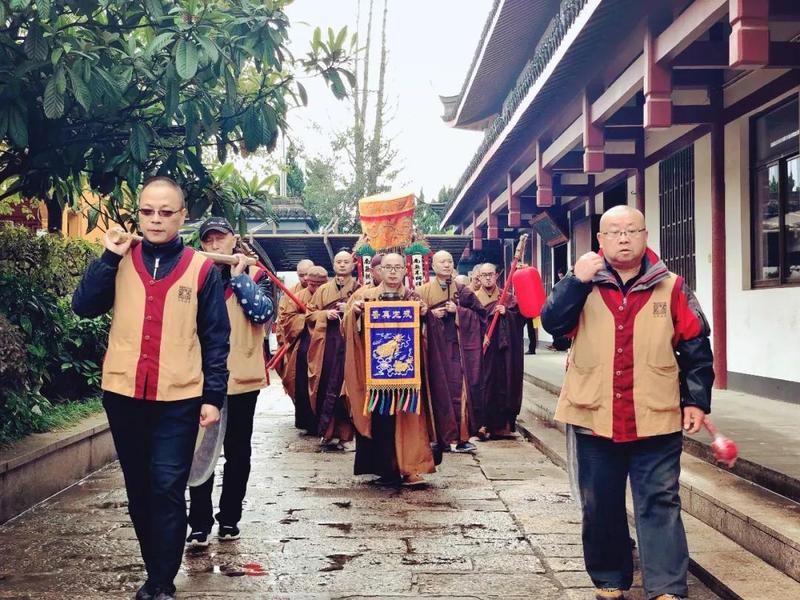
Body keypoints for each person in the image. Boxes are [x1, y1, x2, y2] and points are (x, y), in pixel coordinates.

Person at [540, 205, 714, 600]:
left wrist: (696, 401)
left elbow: (696, 348)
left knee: (660, 500)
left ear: (645, 235)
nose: (623, 238)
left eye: (631, 230)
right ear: (600, 240)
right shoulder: (583, 282)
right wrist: (574, 280)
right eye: (614, 232)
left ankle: (667, 587)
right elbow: (552, 323)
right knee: (600, 503)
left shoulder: (671, 286)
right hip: (594, 413)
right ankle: (610, 578)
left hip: (656, 412)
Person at [72, 177, 229, 600]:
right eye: (147, 211)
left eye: (166, 212)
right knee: (140, 487)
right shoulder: (121, 258)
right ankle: (154, 567)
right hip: (124, 394)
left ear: (182, 216)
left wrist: (213, 397)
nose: (156, 220)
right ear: (138, 212)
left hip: (179, 398)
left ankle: (161, 581)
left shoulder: (201, 269)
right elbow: (82, 306)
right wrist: (108, 257)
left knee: (166, 485)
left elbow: (216, 336)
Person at [186, 217, 274, 547]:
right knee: (200, 451)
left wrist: (239, 280)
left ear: (232, 240)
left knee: (238, 452)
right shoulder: (195, 276)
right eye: (208, 240)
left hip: (242, 379)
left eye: (219, 239)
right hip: (202, 380)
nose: (213, 246)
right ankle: (198, 523)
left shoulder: (257, 274)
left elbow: (263, 313)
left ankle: (230, 519)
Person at [342, 252, 436, 486]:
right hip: (376, 373)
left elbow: (428, 333)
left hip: (408, 374)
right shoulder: (365, 296)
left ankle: (410, 467)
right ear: (379, 271)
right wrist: (354, 314)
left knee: (410, 418)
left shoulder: (413, 298)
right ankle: (384, 468)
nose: (393, 271)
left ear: (405, 271)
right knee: (380, 418)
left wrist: (426, 316)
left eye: (397, 267)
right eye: (388, 267)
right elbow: (347, 328)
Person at [415, 251, 485, 454]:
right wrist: (428, 314)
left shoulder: (464, 291)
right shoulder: (422, 291)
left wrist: (459, 312)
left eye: (450, 261)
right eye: (442, 262)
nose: (446, 265)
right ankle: (437, 437)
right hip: (433, 351)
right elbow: (411, 318)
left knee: (460, 392)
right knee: (435, 390)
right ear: (433, 266)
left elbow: (481, 317)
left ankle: (462, 438)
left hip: (458, 350)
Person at [306, 251, 360, 450]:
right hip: (328, 343)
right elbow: (309, 314)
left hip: (350, 344)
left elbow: (367, 313)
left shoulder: (359, 289)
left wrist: (350, 309)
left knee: (347, 389)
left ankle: (346, 435)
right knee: (326, 385)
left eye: (346, 262)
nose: (343, 265)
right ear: (334, 265)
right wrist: (324, 314)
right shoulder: (323, 290)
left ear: (353, 265)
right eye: (339, 262)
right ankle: (328, 432)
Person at [475, 262, 525, 440]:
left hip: (504, 352)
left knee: (504, 384)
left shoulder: (508, 298)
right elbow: (467, 322)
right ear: (478, 277)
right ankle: (482, 423)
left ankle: (502, 426)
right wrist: (480, 336)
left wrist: (507, 314)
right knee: (483, 384)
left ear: (497, 276)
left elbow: (521, 320)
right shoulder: (473, 298)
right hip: (483, 350)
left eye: (491, 274)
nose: (488, 277)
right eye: (484, 274)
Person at [279, 266, 327, 433]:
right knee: (301, 382)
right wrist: (308, 317)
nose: (315, 288)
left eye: (319, 284)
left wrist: (322, 316)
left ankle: (326, 424)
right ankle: (307, 422)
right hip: (303, 345)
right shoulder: (297, 296)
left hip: (326, 344)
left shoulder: (330, 294)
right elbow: (286, 320)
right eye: (312, 284)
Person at [275, 259, 313, 346]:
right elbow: (283, 318)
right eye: (301, 275)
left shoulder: (324, 290)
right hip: (297, 341)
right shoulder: (290, 293)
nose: (305, 278)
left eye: (307, 274)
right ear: (297, 275)